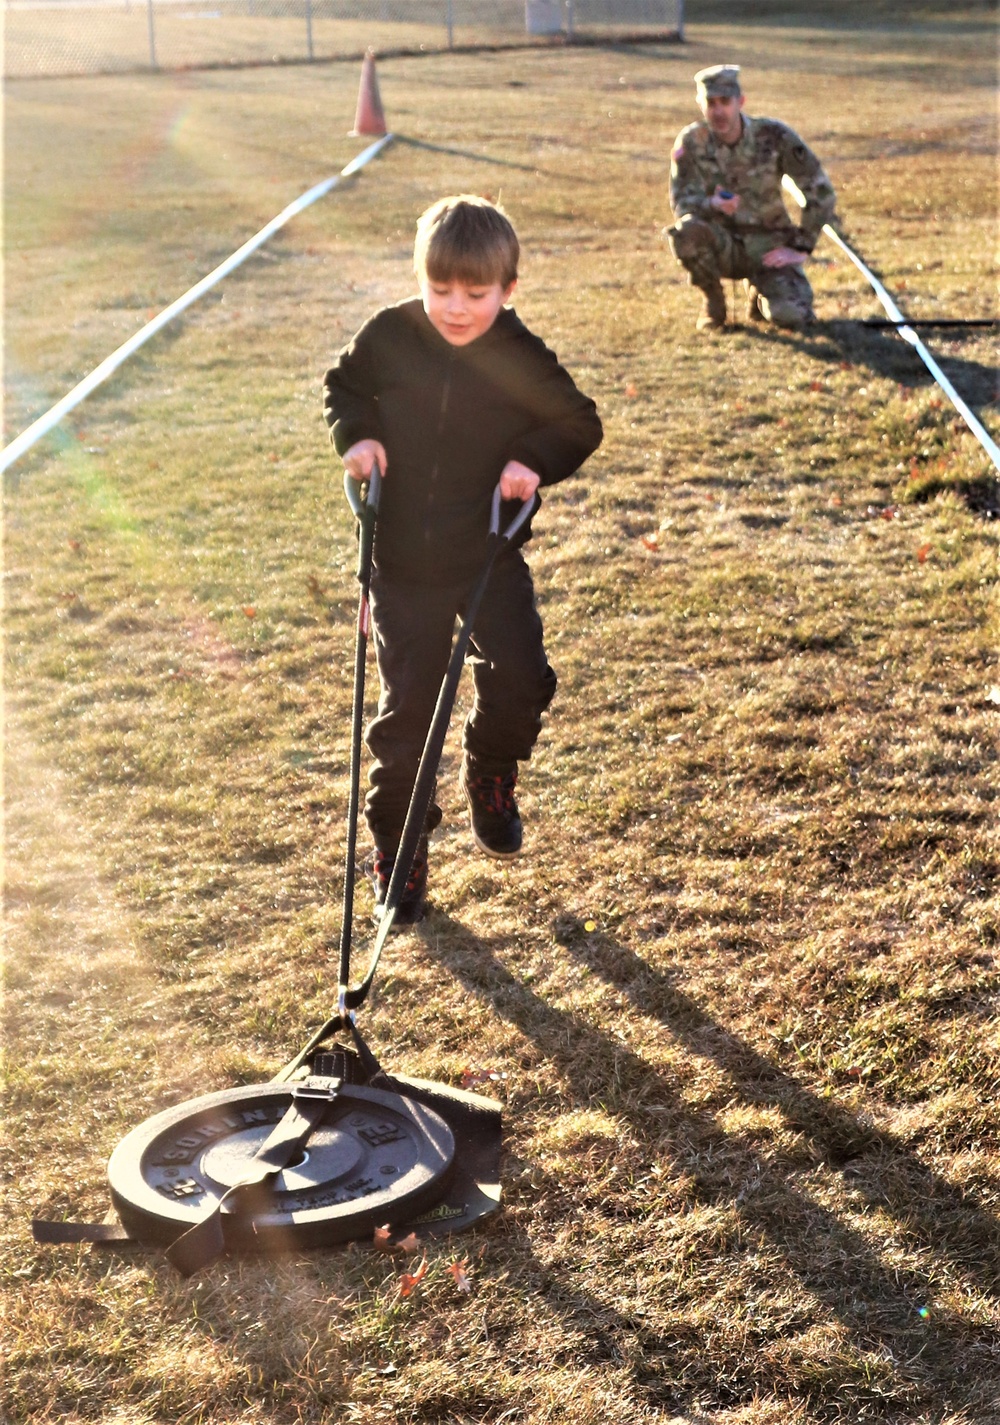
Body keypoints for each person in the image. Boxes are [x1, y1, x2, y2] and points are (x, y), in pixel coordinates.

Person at [323, 195, 603, 925]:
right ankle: (400, 844)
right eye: (439, 288)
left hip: (486, 552)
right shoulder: (390, 335)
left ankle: (490, 763)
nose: (454, 307)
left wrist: (529, 459)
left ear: (508, 290)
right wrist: (355, 437)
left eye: (475, 294)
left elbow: (579, 421)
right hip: (403, 561)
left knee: (522, 675)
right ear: (420, 277)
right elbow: (343, 387)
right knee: (407, 715)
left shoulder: (518, 354)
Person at [666, 64, 837, 332]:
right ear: (701, 105)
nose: (718, 111)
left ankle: (761, 293)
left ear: (740, 102)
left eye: (725, 102)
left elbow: (821, 191)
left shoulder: (773, 136)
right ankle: (713, 302)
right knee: (684, 232)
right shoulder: (691, 143)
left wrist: (800, 246)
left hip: (769, 248)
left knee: (791, 317)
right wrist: (711, 204)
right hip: (724, 244)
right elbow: (681, 203)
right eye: (711, 103)